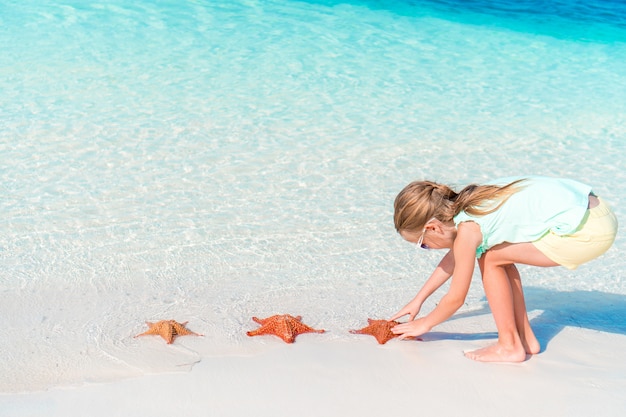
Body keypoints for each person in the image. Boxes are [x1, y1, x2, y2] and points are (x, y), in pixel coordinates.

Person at [389, 175, 617, 362]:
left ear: (433, 227)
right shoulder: (473, 204)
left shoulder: (468, 230)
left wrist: (425, 323)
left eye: (423, 244)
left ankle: (509, 345)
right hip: (596, 214)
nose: (428, 248)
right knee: (495, 254)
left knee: (488, 257)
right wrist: (419, 299)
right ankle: (525, 339)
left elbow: (456, 298)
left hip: (585, 231)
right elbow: (454, 259)